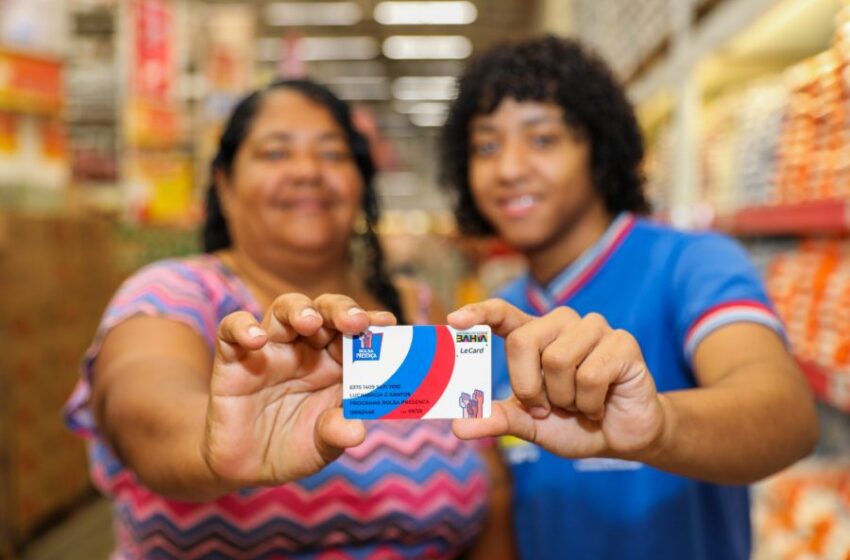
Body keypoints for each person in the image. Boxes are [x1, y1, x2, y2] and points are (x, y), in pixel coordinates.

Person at [64, 79, 513, 559]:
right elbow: (142, 410)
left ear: (362, 183)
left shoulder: (415, 310)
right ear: (225, 186)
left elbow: (492, 486)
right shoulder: (177, 293)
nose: (307, 171)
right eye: (275, 153)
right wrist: (214, 439)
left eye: (333, 154)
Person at [438, 36, 819, 560]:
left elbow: (788, 416)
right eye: (486, 146)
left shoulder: (692, 264)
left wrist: (659, 426)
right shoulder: (494, 315)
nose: (508, 168)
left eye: (543, 139)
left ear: (599, 148)